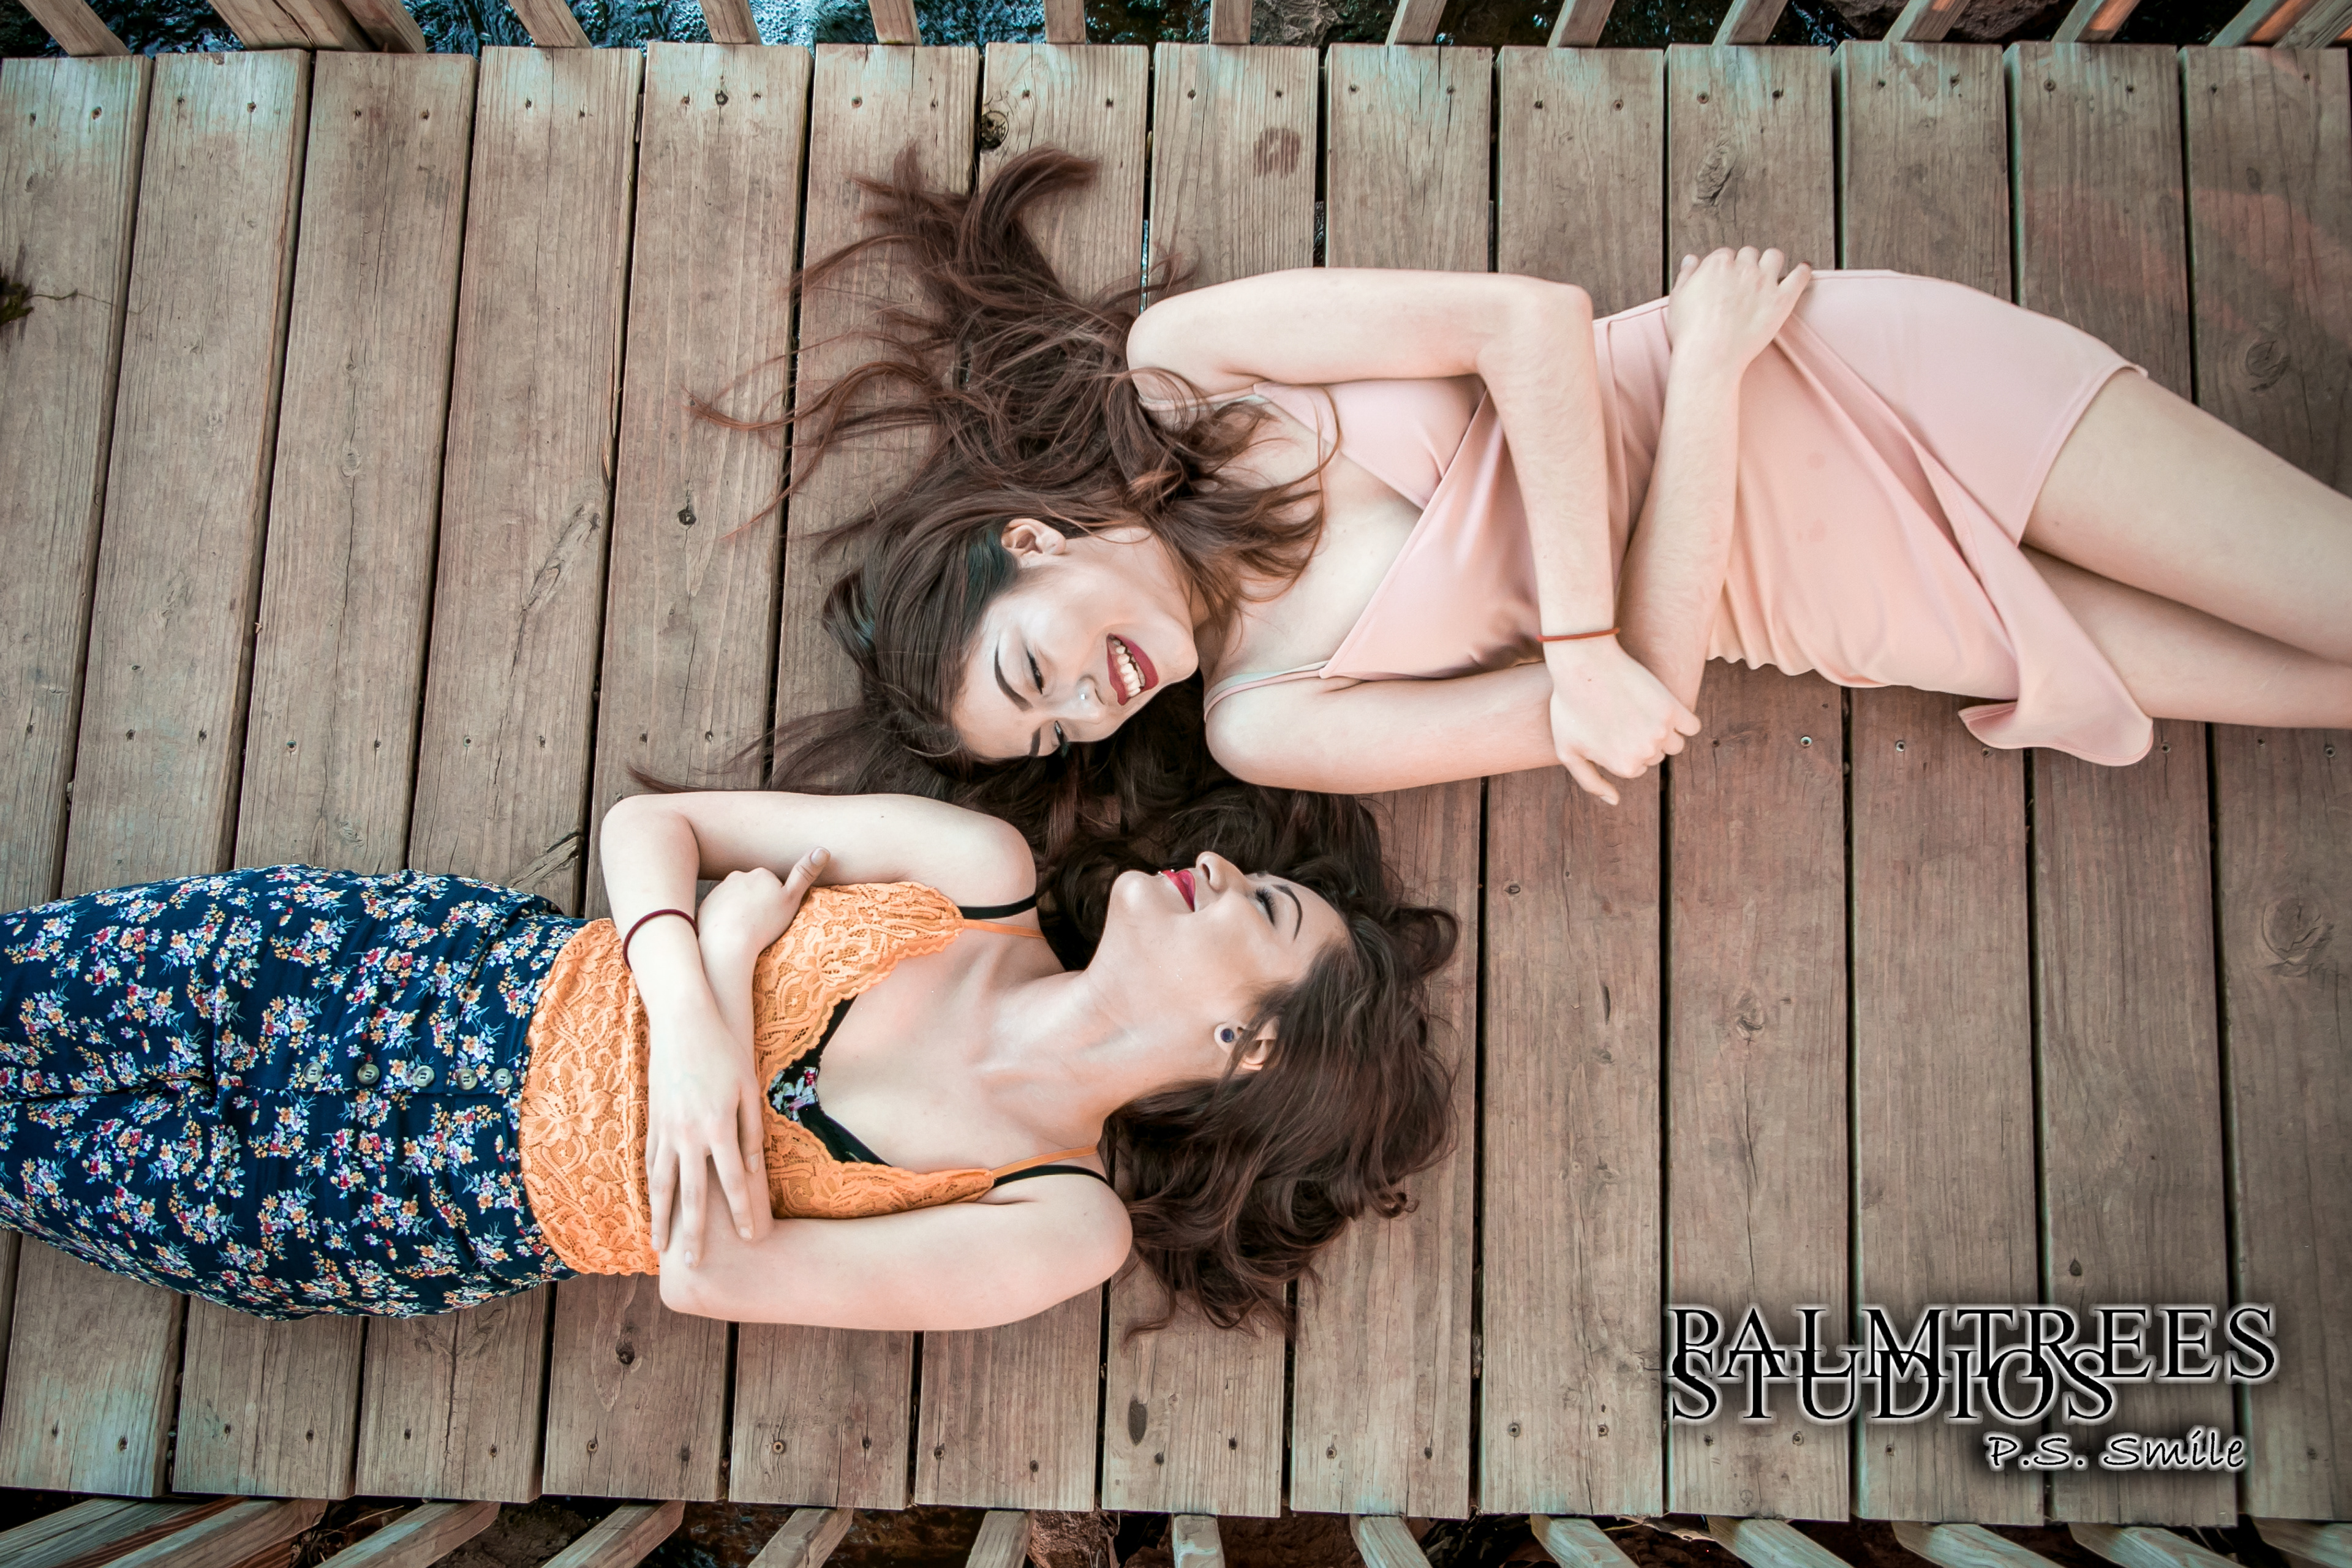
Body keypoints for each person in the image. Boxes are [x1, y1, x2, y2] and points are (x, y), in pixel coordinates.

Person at [770, 149, 2352, 807]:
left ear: (1034, 540)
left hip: (1847, 376)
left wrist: (1585, 638)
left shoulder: (1189, 367)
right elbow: (1649, 693)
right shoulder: (1266, 720)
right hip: (1821, 586)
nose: (1089, 706)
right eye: (1057, 732)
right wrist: (1699, 394)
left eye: (1032, 671)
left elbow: (1529, 325)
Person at [0, 786, 1455, 1333]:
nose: (1221, 865)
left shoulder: (1062, 1220)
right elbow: (655, 828)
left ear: (1252, 1045)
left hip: (411, 1199)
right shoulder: (978, 872)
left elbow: (709, 1275)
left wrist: (734, 949)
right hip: (395, 967)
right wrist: (696, 1017)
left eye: (1266, 906)